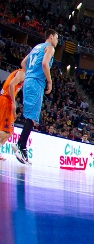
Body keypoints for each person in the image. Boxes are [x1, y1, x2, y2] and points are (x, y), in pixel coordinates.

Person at [15, 30, 59, 165]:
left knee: (30, 116)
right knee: (33, 118)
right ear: (51, 37)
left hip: (28, 81)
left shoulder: (36, 47)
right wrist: (50, 81)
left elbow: (23, 63)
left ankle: (21, 146)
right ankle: (21, 146)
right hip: (36, 83)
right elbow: (45, 64)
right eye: (57, 38)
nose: (57, 41)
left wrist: (29, 75)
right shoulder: (49, 48)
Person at [0, 69, 24, 160]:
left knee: (8, 132)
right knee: (8, 132)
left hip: (4, 100)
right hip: (6, 101)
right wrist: (14, 104)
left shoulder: (20, 73)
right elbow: (11, 84)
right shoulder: (22, 73)